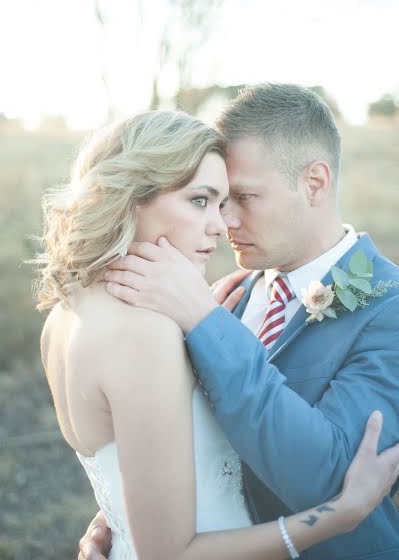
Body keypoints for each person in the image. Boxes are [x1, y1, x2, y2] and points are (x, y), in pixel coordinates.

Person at [35, 109, 399, 560]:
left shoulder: (386, 306)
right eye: (205, 200)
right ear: (131, 197)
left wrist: (206, 320)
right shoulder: (210, 299)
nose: (224, 222)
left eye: (240, 197)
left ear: (315, 183)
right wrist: (119, 516)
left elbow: (330, 480)